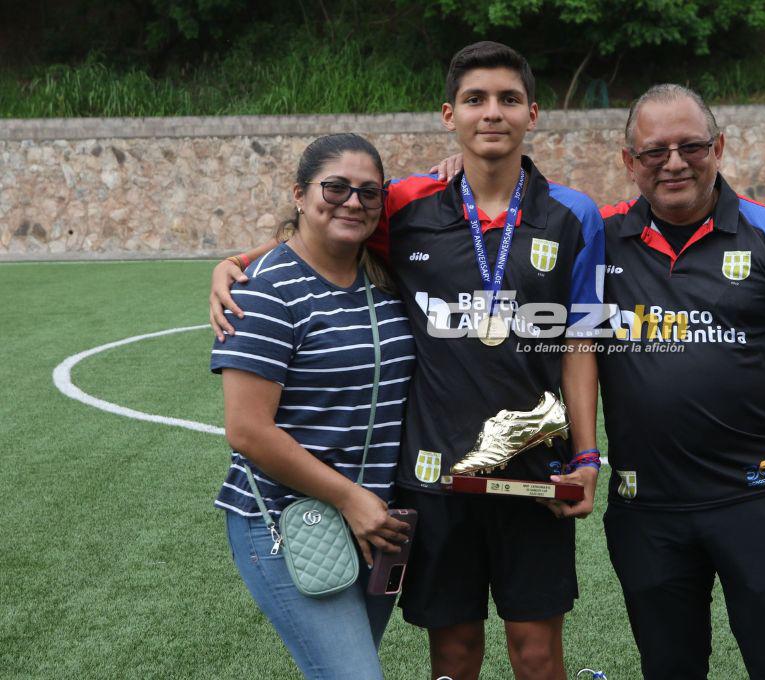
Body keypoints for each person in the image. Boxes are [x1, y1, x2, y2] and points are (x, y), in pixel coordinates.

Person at [210, 42, 605, 680]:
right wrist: (239, 262)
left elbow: (580, 343)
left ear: (533, 113)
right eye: (475, 99)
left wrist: (587, 458)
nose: (492, 112)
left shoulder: (575, 214)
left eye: (508, 99)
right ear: (449, 115)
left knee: (537, 654)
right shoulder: (407, 205)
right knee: (453, 655)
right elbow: (327, 225)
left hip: (534, 473)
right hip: (432, 481)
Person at [596, 84, 765, 679]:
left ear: (719, 147)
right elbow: (510, 213)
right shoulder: (596, 234)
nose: (674, 163)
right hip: (645, 507)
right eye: (655, 151)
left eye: (691, 146)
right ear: (629, 161)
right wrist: (451, 169)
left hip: (756, 499)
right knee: (670, 668)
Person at [211, 133, 415, 680]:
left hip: (376, 523)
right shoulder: (264, 290)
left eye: (369, 192)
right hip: (290, 519)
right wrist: (350, 498)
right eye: (335, 187)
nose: (352, 202)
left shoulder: (384, 278)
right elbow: (247, 430)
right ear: (299, 194)